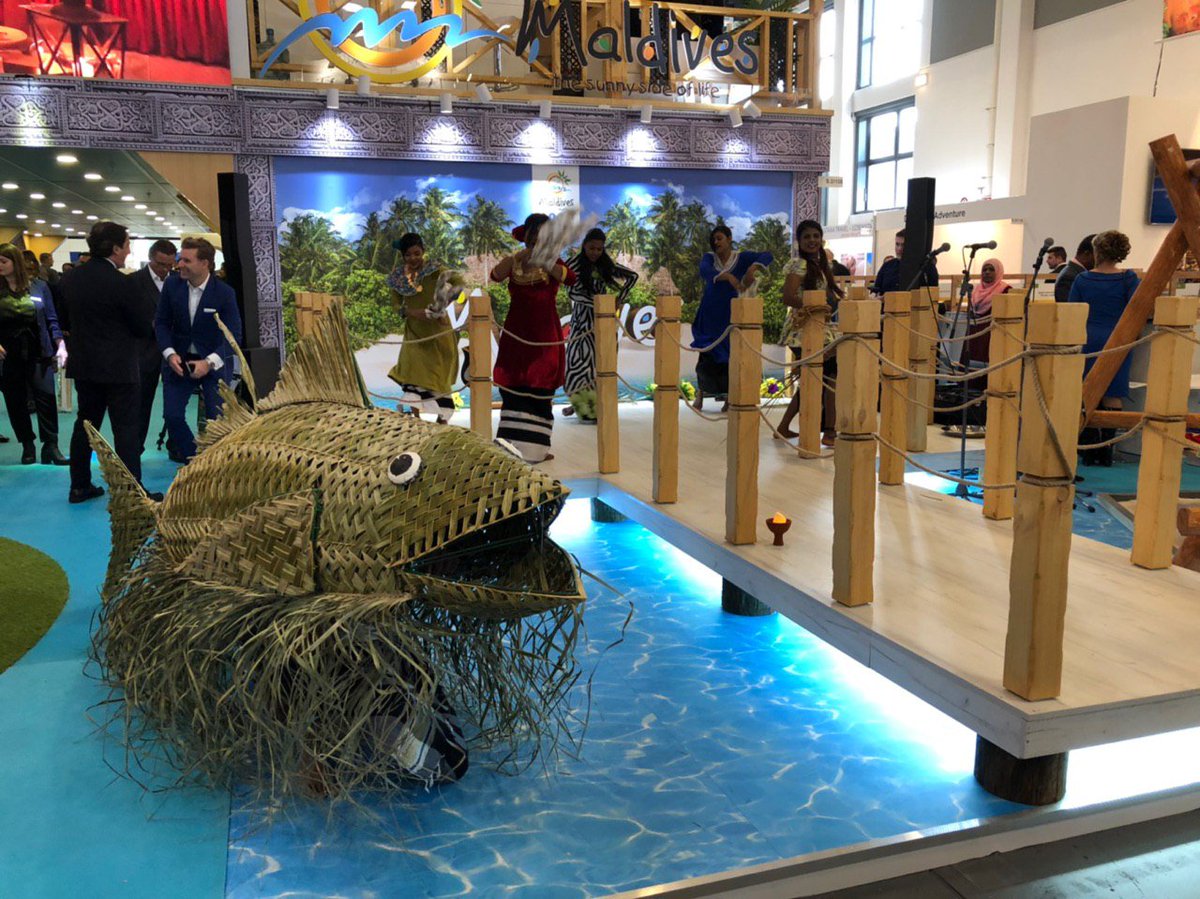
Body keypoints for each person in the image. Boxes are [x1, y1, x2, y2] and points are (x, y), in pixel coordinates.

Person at [62, 222, 155, 503]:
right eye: (127, 245)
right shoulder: (123, 283)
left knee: (85, 425)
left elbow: (65, 320)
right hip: (119, 367)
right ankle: (132, 492)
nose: (128, 251)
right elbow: (141, 327)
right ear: (115, 248)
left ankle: (79, 485)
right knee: (125, 429)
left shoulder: (71, 279)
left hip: (84, 364)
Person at [489, 213, 576, 463]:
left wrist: (544, 259)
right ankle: (509, 445)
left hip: (544, 335)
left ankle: (537, 449)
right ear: (525, 234)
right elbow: (495, 275)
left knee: (541, 386)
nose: (538, 237)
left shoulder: (553, 261)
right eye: (534, 232)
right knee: (513, 386)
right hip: (516, 334)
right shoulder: (515, 260)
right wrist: (518, 257)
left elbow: (571, 279)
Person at [156, 237, 242, 464]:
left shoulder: (224, 293)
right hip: (178, 361)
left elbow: (234, 335)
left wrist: (209, 362)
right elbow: (161, 323)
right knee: (172, 416)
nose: (179, 265)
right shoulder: (171, 286)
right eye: (180, 259)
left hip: (214, 363)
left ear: (205, 263)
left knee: (217, 421)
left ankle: (215, 465)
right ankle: (194, 461)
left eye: (187, 260)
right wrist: (169, 353)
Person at [1068, 230, 1140, 466]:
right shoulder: (1129, 279)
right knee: (1113, 394)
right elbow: (1137, 309)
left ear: (1097, 251)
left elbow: (1073, 310)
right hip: (1118, 339)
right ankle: (1107, 450)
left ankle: (1089, 449)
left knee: (1085, 392)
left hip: (1087, 338)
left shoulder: (1082, 279)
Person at [776, 221, 844, 444]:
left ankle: (785, 427)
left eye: (816, 236)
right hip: (802, 331)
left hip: (818, 328)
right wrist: (814, 306)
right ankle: (829, 432)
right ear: (799, 241)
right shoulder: (799, 264)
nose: (812, 240)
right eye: (807, 237)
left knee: (817, 378)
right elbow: (788, 297)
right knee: (824, 377)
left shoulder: (821, 264)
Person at [691, 225, 772, 410]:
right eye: (714, 239)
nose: (716, 242)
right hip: (710, 315)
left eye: (719, 238)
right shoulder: (709, 258)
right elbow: (705, 271)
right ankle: (700, 394)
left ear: (729, 239)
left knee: (731, 357)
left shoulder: (742, 258)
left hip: (730, 316)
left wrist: (752, 268)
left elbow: (767, 255)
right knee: (706, 355)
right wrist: (727, 277)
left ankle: (730, 396)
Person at [0, 244, 68, 465]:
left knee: (46, 399)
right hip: (8, 356)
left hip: (39, 352)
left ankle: (51, 446)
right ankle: (27, 445)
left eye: (3, 261)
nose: (0, 266)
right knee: (16, 402)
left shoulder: (39, 287)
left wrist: (60, 344)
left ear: (15, 262)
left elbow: (51, 318)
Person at [387, 233, 465, 424]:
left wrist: (442, 304)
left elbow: (459, 282)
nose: (413, 258)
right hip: (415, 333)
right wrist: (411, 312)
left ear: (423, 251)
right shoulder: (398, 277)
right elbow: (395, 304)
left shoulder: (435, 270)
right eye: (408, 255)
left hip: (439, 331)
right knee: (413, 374)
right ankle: (415, 419)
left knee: (438, 376)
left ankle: (442, 420)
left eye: (416, 253)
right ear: (403, 256)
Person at [562, 227, 638, 423]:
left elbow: (633, 277)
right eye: (592, 248)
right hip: (582, 322)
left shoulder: (605, 264)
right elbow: (572, 293)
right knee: (577, 364)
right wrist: (596, 303)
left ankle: (595, 407)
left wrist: (618, 299)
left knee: (601, 365)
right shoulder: (574, 264)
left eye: (599, 249)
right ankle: (580, 406)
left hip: (603, 322)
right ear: (584, 246)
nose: (595, 252)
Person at [130, 239, 177, 455]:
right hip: (144, 352)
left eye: (169, 265)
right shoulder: (133, 282)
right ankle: (135, 450)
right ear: (150, 259)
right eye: (160, 264)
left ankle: (175, 444)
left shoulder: (178, 281)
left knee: (175, 403)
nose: (165, 269)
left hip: (174, 352)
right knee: (141, 404)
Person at [871, 229, 939, 296]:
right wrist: (875, 296)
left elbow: (933, 294)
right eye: (897, 244)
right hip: (886, 303)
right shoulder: (887, 266)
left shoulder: (926, 267)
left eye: (903, 245)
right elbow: (875, 289)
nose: (899, 249)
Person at [1054, 234, 1096, 303]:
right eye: (1098, 256)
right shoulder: (1069, 277)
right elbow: (1070, 307)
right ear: (1087, 254)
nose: (1101, 260)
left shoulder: (1073, 273)